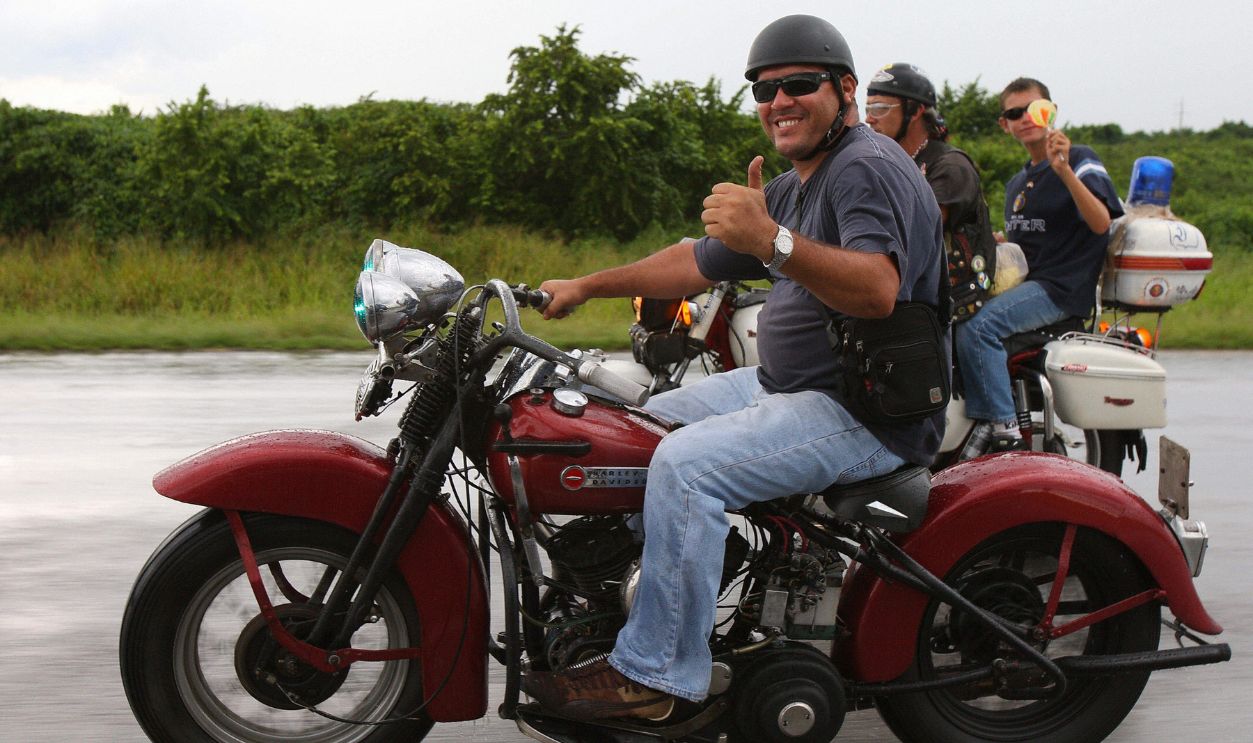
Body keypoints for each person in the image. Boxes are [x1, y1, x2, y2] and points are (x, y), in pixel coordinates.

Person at [522, 15, 946, 721]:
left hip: (862, 408)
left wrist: (770, 241)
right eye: (762, 88)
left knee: (685, 466)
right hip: (787, 386)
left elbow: (877, 288)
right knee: (634, 424)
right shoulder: (795, 183)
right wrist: (584, 284)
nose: (777, 100)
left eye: (798, 84)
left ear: (843, 88)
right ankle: (622, 601)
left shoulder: (864, 167)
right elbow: (693, 260)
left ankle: (657, 674)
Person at [954, 77, 1124, 452]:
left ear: (1051, 111)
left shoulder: (1080, 159)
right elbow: (1024, 248)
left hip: (1061, 289)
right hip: (1029, 285)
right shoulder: (1018, 183)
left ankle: (1001, 429)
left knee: (979, 330)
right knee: (954, 316)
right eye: (1015, 113)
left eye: (1035, 109)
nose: (1026, 119)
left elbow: (1100, 223)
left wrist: (1062, 169)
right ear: (1005, 124)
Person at [865, 63, 998, 324]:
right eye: (867, 108)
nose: (869, 118)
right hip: (914, 290)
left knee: (975, 344)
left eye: (880, 108)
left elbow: (916, 234)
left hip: (959, 296)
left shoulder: (950, 165)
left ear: (915, 111)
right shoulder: (891, 162)